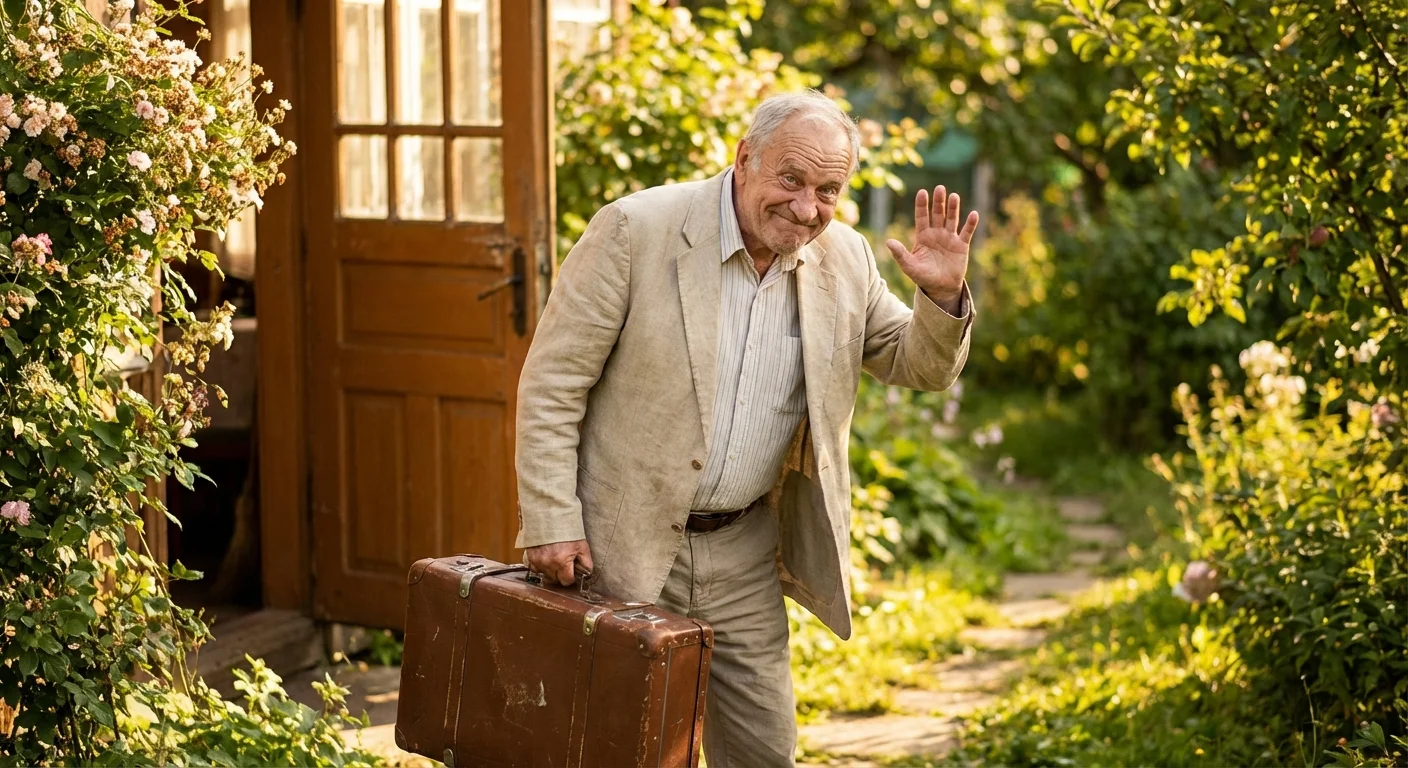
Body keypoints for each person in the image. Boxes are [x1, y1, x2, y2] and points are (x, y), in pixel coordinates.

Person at [515, 90, 977, 767]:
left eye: (827, 190)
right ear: (744, 159)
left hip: (743, 553)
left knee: (763, 751)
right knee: (616, 747)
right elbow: (553, 385)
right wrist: (551, 518)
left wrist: (939, 296)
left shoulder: (845, 259)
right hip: (620, 543)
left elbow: (918, 365)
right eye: (791, 179)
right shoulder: (635, 230)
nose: (806, 207)